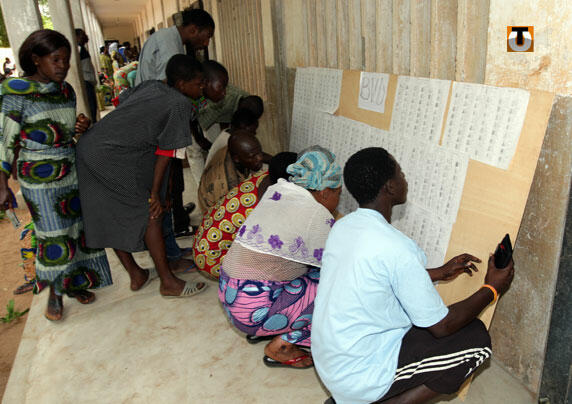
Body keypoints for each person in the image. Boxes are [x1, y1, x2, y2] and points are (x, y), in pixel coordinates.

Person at [312, 147, 515, 404]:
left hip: (330, 361)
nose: (405, 178)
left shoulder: (343, 227)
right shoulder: (396, 246)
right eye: (401, 173)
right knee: (475, 339)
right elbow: (442, 326)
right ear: (390, 187)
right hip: (358, 375)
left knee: (421, 321)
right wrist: (492, 288)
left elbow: (378, 275)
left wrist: (439, 272)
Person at [0, 29, 112, 321]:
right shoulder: (15, 91)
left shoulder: (66, 91)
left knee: (75, 229)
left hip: (70, 170)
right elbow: (5, 139)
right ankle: (55, 293)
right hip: (38, 179)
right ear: (36, 59)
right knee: (53, 235)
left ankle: (75, 284)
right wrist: (2, 183)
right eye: (56, 59)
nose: (63, 65)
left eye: (66, 59)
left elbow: (63, 130)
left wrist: (79, 127)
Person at [76, 54, 207, 298]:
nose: (202, 88)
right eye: (199, 83)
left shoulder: (151, 85)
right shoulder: (180, 103)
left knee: (109, 213)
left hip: (89, 148)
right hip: (112, 156)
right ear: (181, 84)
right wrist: (156, 193)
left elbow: (124, 103)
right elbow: (166, 154)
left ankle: (136, 274)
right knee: (151, 213)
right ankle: (168, 282)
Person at [218, 146, 342, 369]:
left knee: (311, 274)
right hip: (253, 309)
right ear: (325, 192)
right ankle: (282, 345)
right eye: (338, 194)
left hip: (231, 296)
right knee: (338, 289)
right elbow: (341, 264)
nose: (338, 201)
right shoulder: (315, 215)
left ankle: (269, 325)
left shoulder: (278, 191)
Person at [194, 152, 297, 278]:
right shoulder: (264, 207)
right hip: (212, 260)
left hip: (203, 241)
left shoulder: (266, 177)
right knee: (284, 267)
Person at [135, 8, 214, 85]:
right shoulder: (168, 44)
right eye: (207, 36)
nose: (206, 43)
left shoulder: (169, 37)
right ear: (193, 30)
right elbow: (166, 87)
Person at [197, 130, 264, 213]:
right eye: (253, 156)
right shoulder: (229, 186)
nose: (260, 158)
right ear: (237, 159)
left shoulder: (235, 150)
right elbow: (232, 214)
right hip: (216, 212)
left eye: (259, 152)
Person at [75, 29, 98, 122]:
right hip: (86, 82)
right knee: (91, 109)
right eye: (82, 35)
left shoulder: (81, 48)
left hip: (88, 81)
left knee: (93, 108)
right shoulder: (78, 49)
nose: (85, 36)